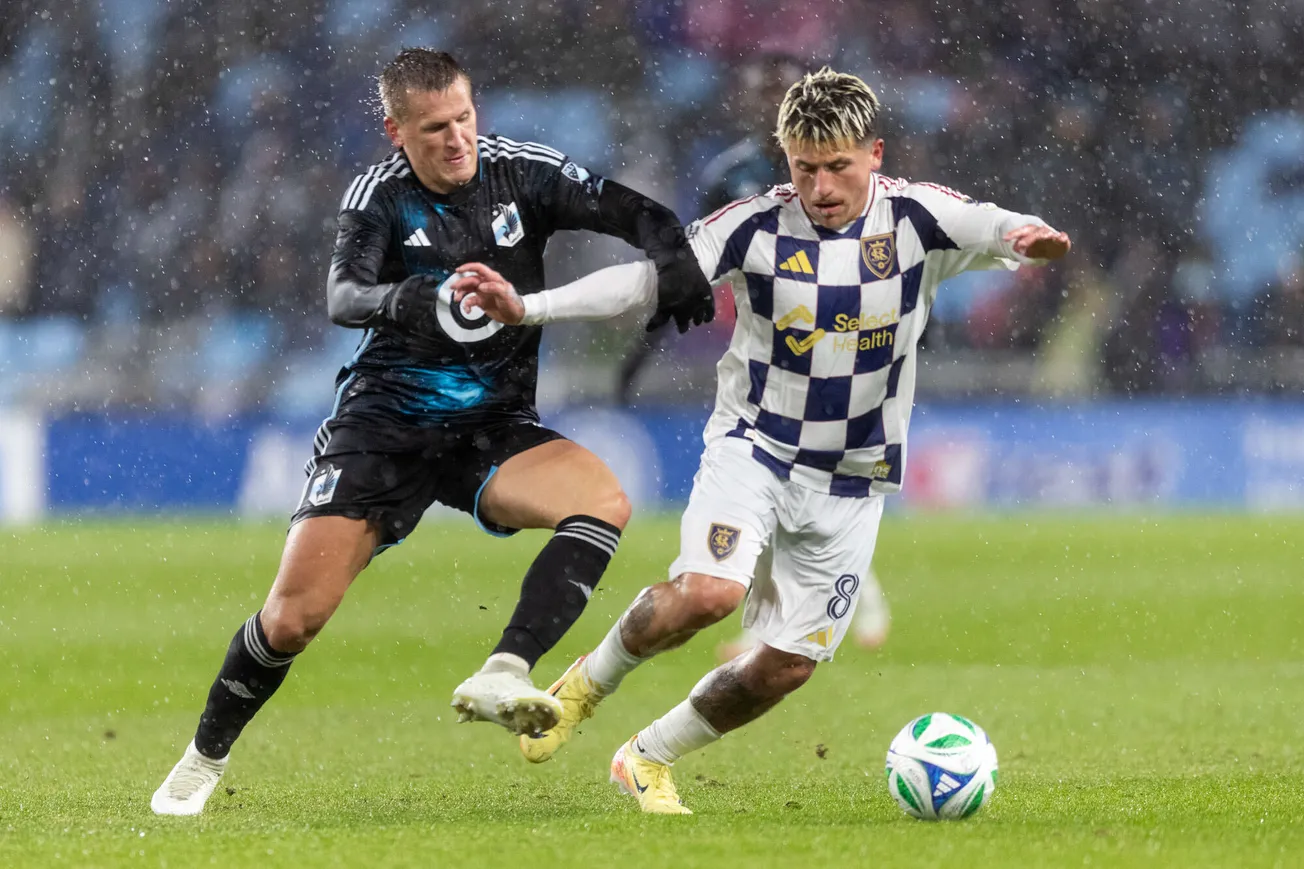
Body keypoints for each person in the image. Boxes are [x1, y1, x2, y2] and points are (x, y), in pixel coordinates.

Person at [453, 67, 1071, 814]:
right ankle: (587, 682)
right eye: (804, 167)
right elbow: (645, 283)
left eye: (839, 166)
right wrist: (529, 307)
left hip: (854, 476)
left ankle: (645, 756)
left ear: (874, 153)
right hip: (756, 447)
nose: (821, 186)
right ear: (786, 158)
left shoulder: (919, 219)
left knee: (785, 666)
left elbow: (996, 224)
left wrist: (1027, 236)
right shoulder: (750, 225)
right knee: (710, 593)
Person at [149, 48, 713, 817]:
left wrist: (674, 255)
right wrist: (407, 298)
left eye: (464, 119)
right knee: (292, 618)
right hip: (384, 430)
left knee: (603, 500)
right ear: (396, 132)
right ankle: (202, 757)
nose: (457, 140)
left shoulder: (524, 172)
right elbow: (343, 294)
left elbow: (637, 212)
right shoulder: (379, 197)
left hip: (491, 429)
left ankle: (505, 667)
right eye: (435, 129)